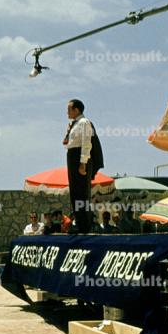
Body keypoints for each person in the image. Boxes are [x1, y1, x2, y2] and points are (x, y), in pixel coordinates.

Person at [63, 99, 104, 234]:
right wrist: (68, 131)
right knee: (75, 192)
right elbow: (66, 144)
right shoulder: (73, 124)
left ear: (77, 110)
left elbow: (87, 143)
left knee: (82, 192)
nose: (67, 111)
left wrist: (83, 163)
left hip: (80, 157)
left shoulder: (84, 123)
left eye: (69, 109)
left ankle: (85, 225)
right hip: (72, 155)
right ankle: (79, 223)